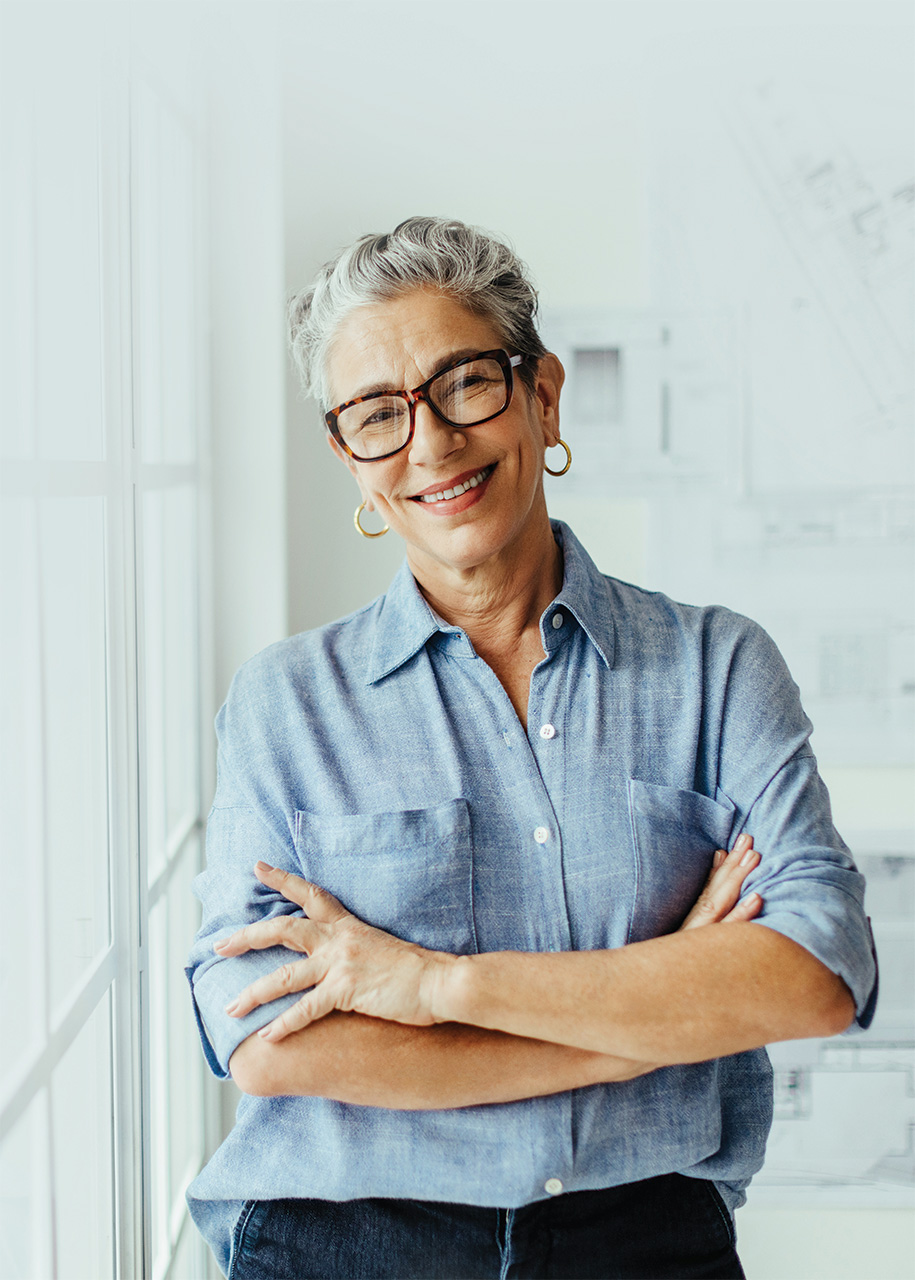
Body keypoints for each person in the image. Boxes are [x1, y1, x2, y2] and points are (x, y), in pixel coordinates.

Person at [186, 217, 877, 1280]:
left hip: (646, 1240)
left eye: (464, 382)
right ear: (349, 457)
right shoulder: (287, 703)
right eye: (379, 414)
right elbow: (272, 1042)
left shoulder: (718, 668)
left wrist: (434, 987)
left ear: (542, 392)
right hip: (346, 1240)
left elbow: (818, 971)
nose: (431, 443)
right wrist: (645, 1026)